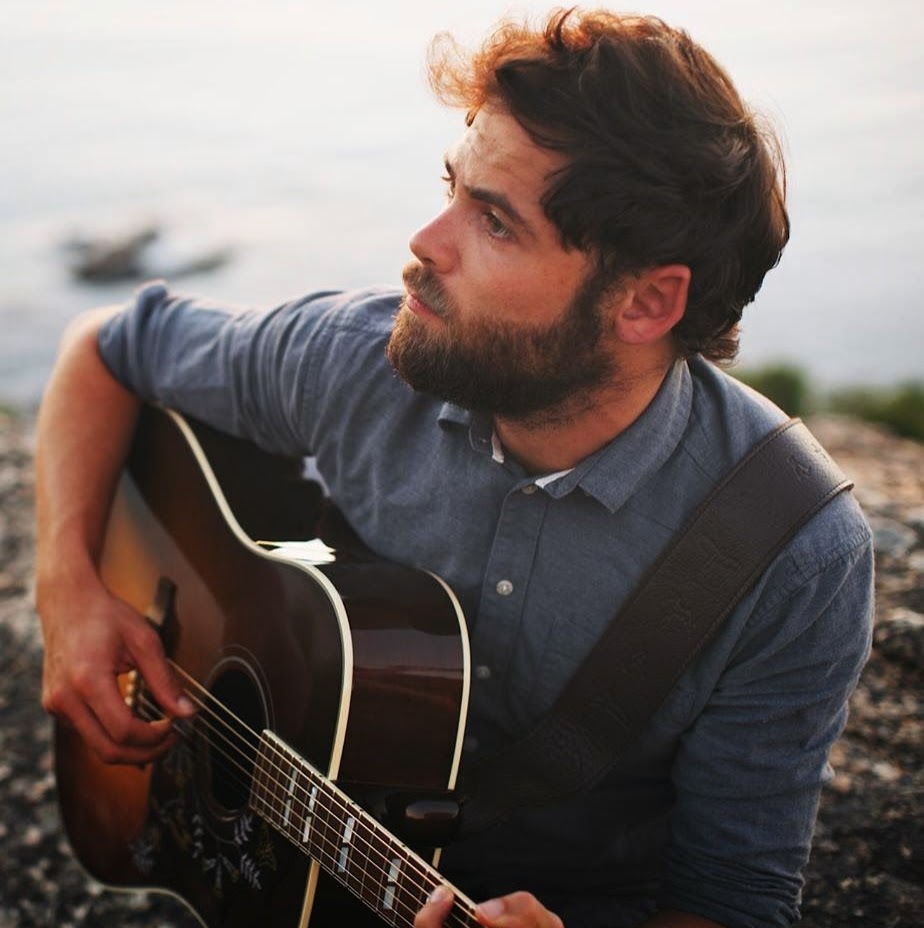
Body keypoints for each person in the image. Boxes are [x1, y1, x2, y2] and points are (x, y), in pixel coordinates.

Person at [34, 9, 873, 928]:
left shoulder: (790, 553)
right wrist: (67, 592)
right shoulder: (356, 357)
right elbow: (106, 348)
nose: (426, 242)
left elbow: (732, 899)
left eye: (495, 222)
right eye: (453, 187)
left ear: (644, 302)